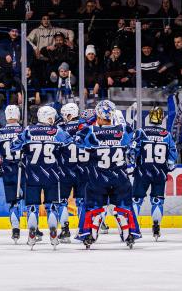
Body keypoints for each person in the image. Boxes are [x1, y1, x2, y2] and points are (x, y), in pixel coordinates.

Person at [75, 99, 143, 249]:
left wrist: (91, 123)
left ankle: (89, 234)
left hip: (98, 177)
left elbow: (78, 141)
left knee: (92, 206)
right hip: (120, 177)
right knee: (125, 206)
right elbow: (136, 141)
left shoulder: (90, 131)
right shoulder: (125, 129)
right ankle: (129, 233)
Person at [12, 105, 69, 249]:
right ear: (49, 117)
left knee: (32, 206)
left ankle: (32, 231)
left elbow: (14, 146)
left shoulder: (28, 131)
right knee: (52, 206)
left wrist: (25, 147)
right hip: (52, 175)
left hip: (32, 174)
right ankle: (53, 231)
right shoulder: (57, 131)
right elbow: (69, 144)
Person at [132, 107, 177, 241]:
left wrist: (134, 161)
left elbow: (133, 150)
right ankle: (156, 226)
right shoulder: (167, 134)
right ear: (162, 118)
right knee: (157, 201)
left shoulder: (141, 131)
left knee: (136, 200)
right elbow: (172, 156)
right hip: (160, 172)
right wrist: (168, 167)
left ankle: (133, 227)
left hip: (143, 170)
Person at [0, 105, 26, 243]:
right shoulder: (24, 130)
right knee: (29, 201)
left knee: (13, 201)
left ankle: (15, 230)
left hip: (8, 168)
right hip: (24, 168)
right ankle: (34, 230)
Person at [56, 102, 86, 243]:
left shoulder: (60, 128)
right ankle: (82, 230)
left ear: (69, 114)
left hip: (64, 170)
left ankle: (65, 231)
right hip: (83, 171)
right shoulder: (86, 127)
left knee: (62, 202)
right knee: (82, 202)